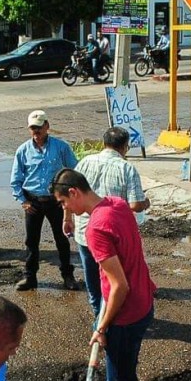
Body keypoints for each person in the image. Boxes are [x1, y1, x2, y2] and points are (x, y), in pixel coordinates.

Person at [51, 169, 156, 381]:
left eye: (64, 202)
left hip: (125, 313)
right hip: (144, 303)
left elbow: (120, 285)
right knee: (127, 374)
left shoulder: (96, 229)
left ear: (74, 192)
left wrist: (102, 327)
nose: (66, 208)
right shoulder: (117, 204)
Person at [64, 127, 150, 319]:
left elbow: (69, 193)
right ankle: (110, 320)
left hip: (86, 234)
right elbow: (135, 204)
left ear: (104, 144)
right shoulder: (126, 168)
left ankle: (99, 316)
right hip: (111, 236)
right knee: (114, 281)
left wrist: (67, 218)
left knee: (93, 282)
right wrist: (146, 202)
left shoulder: (85, 162)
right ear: (125, 147)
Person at [10, 110, 79, 291]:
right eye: (33, 128)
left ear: (47, 126)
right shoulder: (23, 150)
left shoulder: (61, 147)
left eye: (39, 127)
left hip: (55, 201)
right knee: (31, 241)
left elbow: (74, 170)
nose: (37, 131)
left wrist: (69, 198)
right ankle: (30, 277)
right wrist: (23, 201)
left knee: (62, 239)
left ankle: (67, 276)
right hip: (32, 202)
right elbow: (15, 180)